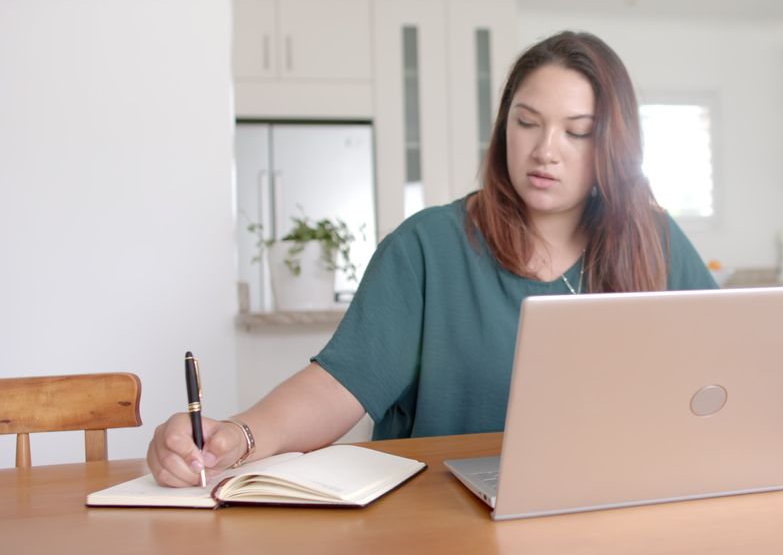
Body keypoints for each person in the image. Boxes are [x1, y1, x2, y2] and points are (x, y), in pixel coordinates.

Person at [147, 31, 716, 487]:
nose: (545, 150)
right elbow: (337, 386)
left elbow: (725, 367)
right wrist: (239, 436)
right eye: (526, 122)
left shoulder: (654, 240)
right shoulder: (427, 246)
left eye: (577, 132)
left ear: (613, 144)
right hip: (438, 519)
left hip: (609, 502)